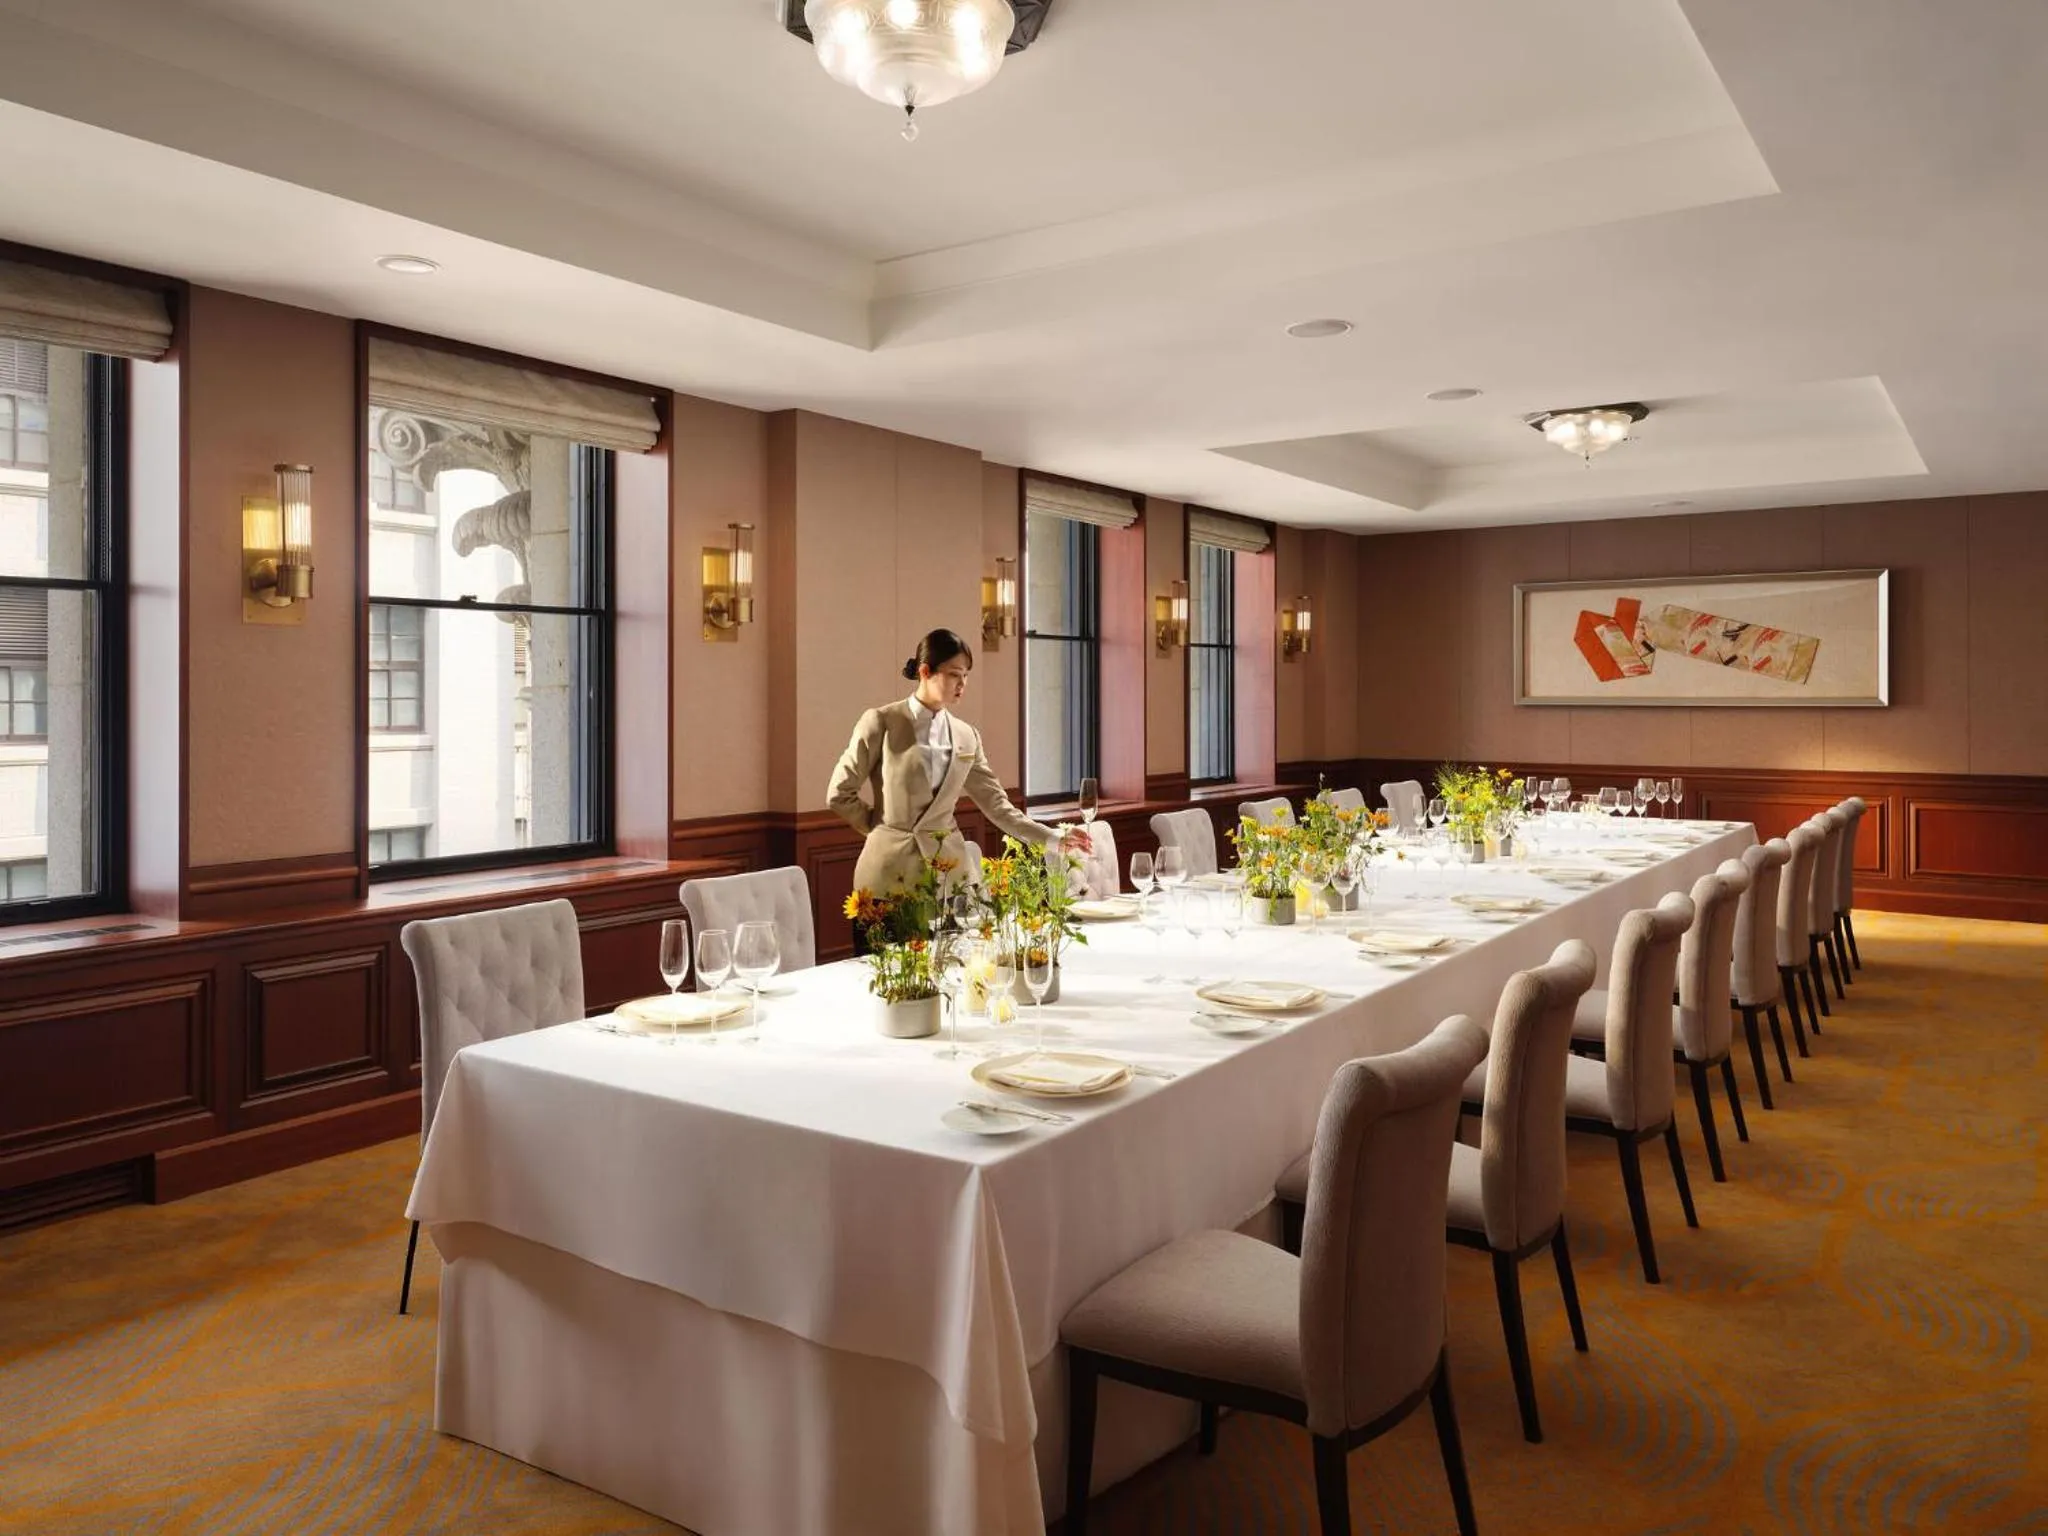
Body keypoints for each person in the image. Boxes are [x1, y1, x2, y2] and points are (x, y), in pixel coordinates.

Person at [828, 628, 1087, 898]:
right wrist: (882, 829)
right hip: (886, 878)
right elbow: (839, 793)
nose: (962, 684)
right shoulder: (881, 722)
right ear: (925, 672)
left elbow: (997, 806)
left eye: (966, 676)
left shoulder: (967, 736)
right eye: (954, 674)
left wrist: (1052, 838)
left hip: (951, 882)